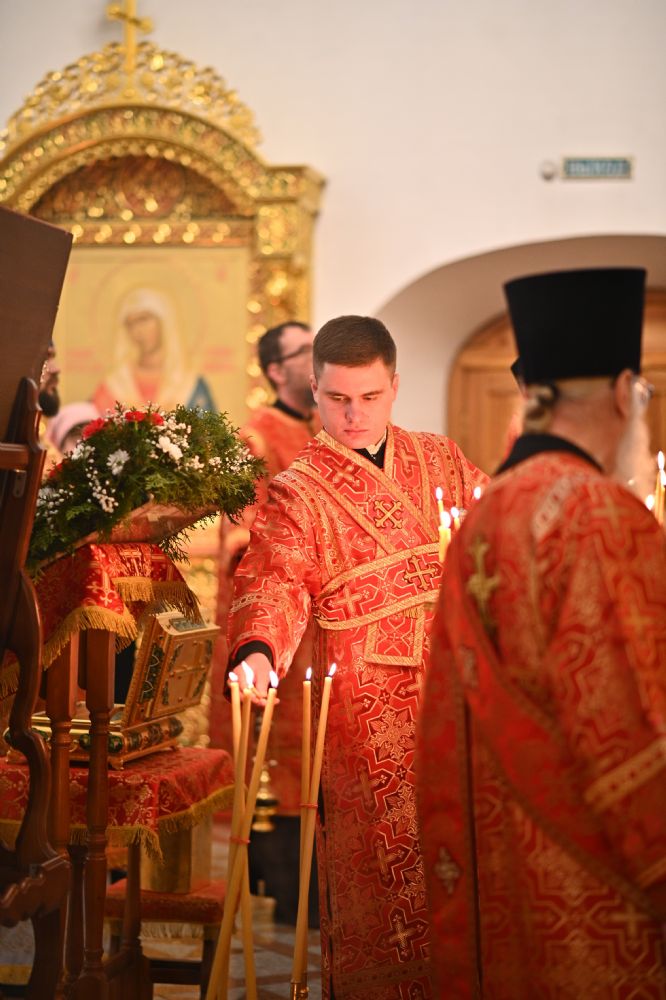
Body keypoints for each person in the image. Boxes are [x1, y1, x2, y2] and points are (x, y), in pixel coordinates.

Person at [416, 268, 666, 999]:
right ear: (623, 392)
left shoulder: (488, 511)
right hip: (596, 877)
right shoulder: (598, 512)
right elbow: (629, 722)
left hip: (500, 860)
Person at [227, 315, 486, 998]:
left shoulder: (442, 460)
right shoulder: (298, 489)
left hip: (456, 695)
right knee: (382, 869)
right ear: (314, 389)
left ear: (394, 386)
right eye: (338, 398)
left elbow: (496, 531)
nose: (354, 416)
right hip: (363, 712)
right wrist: (259, 650)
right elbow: (274, 579)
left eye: (369, 397)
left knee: (467, 857)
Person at [211, 321, 321, 822]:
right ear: (276, 370)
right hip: (283, 607)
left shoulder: (325, 429)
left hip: (327, 611)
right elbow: (243, 531)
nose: (318, 356)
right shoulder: (255, 437)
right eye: (306, 350)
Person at [92, 287, 215, 413]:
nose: (137, 330)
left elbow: (207, 423)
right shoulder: (115, 385)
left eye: (143, 319)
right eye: (130, 324)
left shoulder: (189, 384)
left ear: (164, 322)